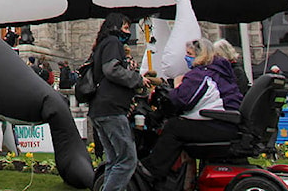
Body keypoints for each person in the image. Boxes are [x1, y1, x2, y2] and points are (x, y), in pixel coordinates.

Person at [141, 37, 242, 182]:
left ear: (200, 55)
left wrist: (176, 86)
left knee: (174, 127)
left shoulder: (201, 75)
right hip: (228, 123)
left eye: (189, 54)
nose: (186, 57)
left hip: (221, 124)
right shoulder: (219, 71)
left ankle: (152, 170)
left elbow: (179, 100)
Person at [88, 13, 145, 191]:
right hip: (111, 109)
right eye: (126, 28)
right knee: (128, 160)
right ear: (115, 27)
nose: (128, 32)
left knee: (114, 161)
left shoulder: (100, 46)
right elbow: (112, 70)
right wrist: (137, 80)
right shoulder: (113, 43)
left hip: (99, 110)